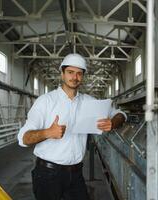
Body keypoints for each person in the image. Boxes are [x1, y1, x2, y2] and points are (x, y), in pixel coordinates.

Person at [17, 53, 126, 200]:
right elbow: (24, 138)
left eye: (79, 73)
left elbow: (120, 113)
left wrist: (113, 123)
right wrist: (48, 133)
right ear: (62, 74)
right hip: (48, 175)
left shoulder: (89, 102)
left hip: (76, 174)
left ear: (82, 76)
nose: (74, 77)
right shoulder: (46, 101)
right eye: (70, 72)